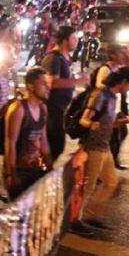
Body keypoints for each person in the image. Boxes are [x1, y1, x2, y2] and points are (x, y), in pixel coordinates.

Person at [71, 67, 129, 233]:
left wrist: (120, 122)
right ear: (122, 82)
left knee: (110, 182)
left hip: (104, 145)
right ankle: (74, 219)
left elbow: (107, 121)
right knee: (88, 185)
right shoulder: (100, 95)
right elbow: (84, 120)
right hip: (93, 146)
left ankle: (91, 216)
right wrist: (91, 124)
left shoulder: (113, 96)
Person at [3, 66, 51, 198]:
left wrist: (49, 166)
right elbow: (10, 143)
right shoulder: (18, 109)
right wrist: (11, 174)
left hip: (34, 168)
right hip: (20, 170)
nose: (48, 87)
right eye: (43, 83)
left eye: (48, 83)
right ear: (30, 86)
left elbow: (43, 140)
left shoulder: (43, 109)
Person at [40, 26, 84, 160]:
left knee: (57, 145)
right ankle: (41, 173)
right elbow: (52, 82)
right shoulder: (54, 58)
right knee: (55, 144)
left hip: (61, 110)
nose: (77, 41)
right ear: (65, 40)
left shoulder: (65, 58)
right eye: (74, 38)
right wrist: (77, 81)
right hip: (52, 109)